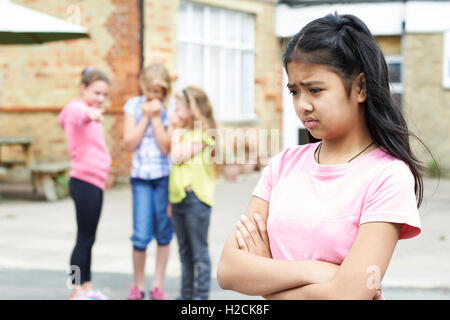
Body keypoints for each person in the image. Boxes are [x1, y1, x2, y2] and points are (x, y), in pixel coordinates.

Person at [217, 13, 428, 300]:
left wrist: (267, 278)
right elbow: (229, 271)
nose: (302, 105)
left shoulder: (388, 176)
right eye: (294, 91)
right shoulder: (282, 166)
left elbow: (348, 296)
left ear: (361, 87)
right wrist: (318, 271)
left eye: (315, 90)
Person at [58, 66, 112, 300]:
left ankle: (87, 287)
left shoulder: (83, 110)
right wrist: (90, 114)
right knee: (83, 239)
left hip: (95, 182)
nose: (100, 99)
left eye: (104, 95)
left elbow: (62, 122)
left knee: (89, 238)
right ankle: (76, 290)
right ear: (83, 88)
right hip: (84, 181)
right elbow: (76, 113)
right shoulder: (77, 108)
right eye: (96, 93)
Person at [123, 62, 175, 300]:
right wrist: (145, 117)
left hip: (164, 178)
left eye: (159, 91)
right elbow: (129, 143)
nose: (155, 95)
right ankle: (138, 285)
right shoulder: (132, 106)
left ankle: (157, 286)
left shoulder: (169, 108)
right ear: (144, 86)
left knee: (164, 233)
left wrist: (156, 118)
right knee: (141, 235)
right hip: (141, 179)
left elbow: (166, 148)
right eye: (151, 90)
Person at [168, 86, 218, 300]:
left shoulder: (204, 134)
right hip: (179, 199)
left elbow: (177, 156)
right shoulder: (185, 133)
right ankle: (185, 296)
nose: (175, 112)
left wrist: (172, 128)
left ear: (192, 109)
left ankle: (201, 298)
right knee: (184, 252)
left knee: (199, 253)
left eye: (178, 107)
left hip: (196, 200)